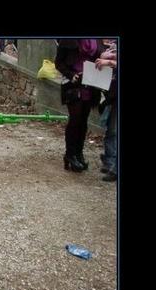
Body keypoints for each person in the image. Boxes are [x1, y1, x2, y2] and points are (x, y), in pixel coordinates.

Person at [55, 39, 106, 172]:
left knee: (83, 121)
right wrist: (71, 75)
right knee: (75, 119)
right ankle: (70, 154)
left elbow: (101, 57)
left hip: (90, 84)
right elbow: (58, 63)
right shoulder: (67, 40)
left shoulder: (97, 40)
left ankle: (79, 154)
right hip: (73, 84)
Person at [96, 40, 118, 182]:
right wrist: (108, 56)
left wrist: (110, 62)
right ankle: (110, 163)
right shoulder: (114, 43)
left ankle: (114, 168)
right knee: (111, 130)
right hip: (112, 94)